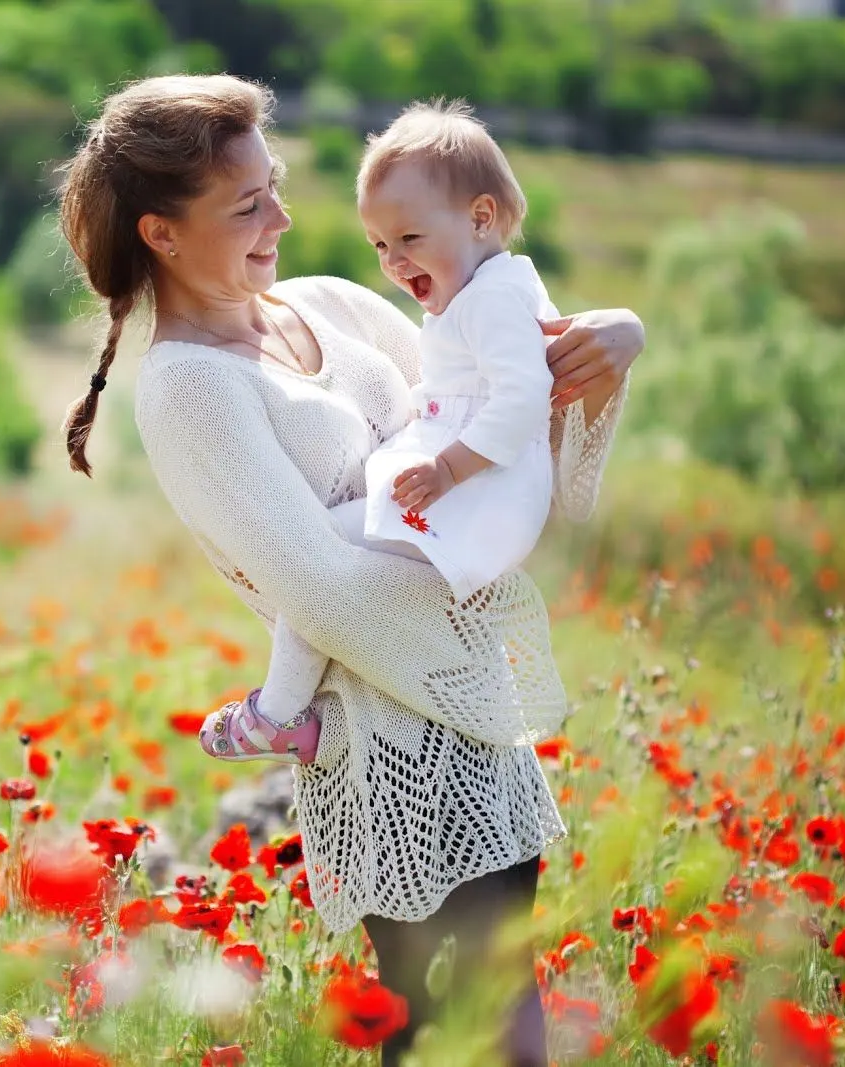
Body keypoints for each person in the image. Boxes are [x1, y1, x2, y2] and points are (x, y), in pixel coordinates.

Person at [57, 74, 643, 1067]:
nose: (282, 215)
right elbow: (322, 589)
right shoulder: (189, 389)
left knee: (513, 1021)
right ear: (160, 233)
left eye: (274, 186)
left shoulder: (325, 304)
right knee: (433, 1034)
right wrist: (473, 614)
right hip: (386, 756)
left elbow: (489, 431)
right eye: (248, 206)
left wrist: (603, 349)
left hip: (476, 728)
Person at [198, 99, 563, 765]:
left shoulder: (491, 300)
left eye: (410, 239)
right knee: (324, 553)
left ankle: (278, 714)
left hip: (479, 492)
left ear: (481, 217)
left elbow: (523, 397)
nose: (393, 261)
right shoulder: (479, 291)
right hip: (475, 486)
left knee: (315, 554)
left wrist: (449, 467)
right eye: (380, 245)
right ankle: (292, 713)